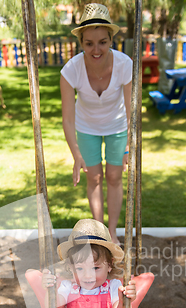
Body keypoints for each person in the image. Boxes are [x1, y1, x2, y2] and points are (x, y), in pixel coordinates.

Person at [60, 4, 133, 244]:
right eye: (89, 43)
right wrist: (76, 154)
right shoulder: (70, 70)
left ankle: (112, 232)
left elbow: (132, 111)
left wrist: (128, 148)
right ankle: (100, 233)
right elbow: (68, 118)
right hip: (86, 128)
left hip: (118, 126)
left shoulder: (125, 65)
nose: (96, 49)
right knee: (94, 178)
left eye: (102, 41)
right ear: (81, 43)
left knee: (114, 177)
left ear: (111, 39)